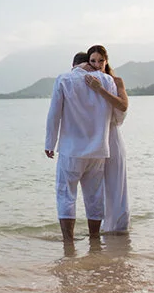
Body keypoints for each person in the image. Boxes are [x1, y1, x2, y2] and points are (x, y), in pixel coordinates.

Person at [45, 50, 118, 244]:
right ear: (89, 63)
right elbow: (114, 110)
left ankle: (68, 242)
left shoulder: (64, 79)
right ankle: (94, 239)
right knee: (94, 195)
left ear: (74, 65)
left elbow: (54, 114)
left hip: (72, 149)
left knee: (66, 194)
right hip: (98, 148)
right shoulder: (107, 80)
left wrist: (49, 143)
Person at [84, 44, 130, 234]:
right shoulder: (84, 80)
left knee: (116, 183)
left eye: (100, 61)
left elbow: (123, 105)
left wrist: (100, 89)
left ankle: (119, 229)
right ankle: (100, 229)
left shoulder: (116, 81)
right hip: (95, 136)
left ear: (106, 60)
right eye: (93, 61)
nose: (97, 65)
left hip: (112, 135)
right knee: (96, 185)